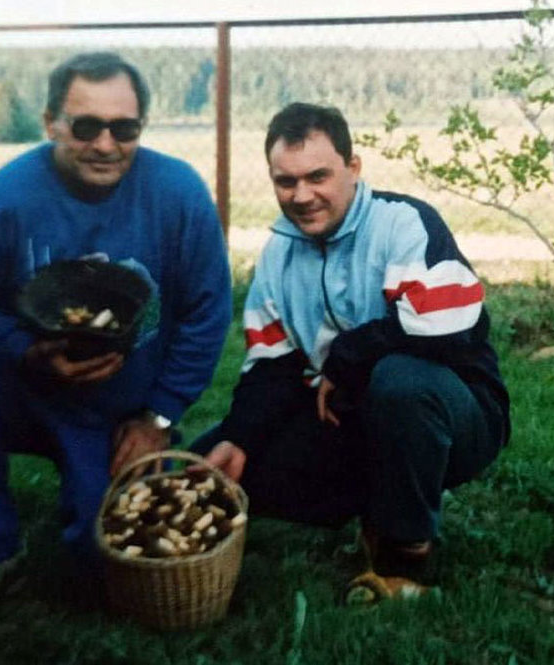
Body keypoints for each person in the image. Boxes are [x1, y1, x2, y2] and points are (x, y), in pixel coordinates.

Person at [0, 52, 232, 612]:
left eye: (124, 128)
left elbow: (207, 313)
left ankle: (105, 488)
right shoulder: (1, 199)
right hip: (26, 391)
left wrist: (159, 418)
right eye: (86, 126)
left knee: (110, 560)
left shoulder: (179, 193)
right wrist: (26, 350)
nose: (105, 145)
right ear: (52, 123)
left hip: (120, 413)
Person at [193, 102, 509, 603]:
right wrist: (239, 436)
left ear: (353, 168)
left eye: (317, 176)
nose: (301, 196)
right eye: (285, 181)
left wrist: (347, 358)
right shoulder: (278, 252)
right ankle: (373, 504)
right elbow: (274, 365)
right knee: (208, 465)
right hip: (348, 417)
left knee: (400, 382)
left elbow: (451, 327)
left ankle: (406, 558)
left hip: (455, 417)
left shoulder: (403, 222)